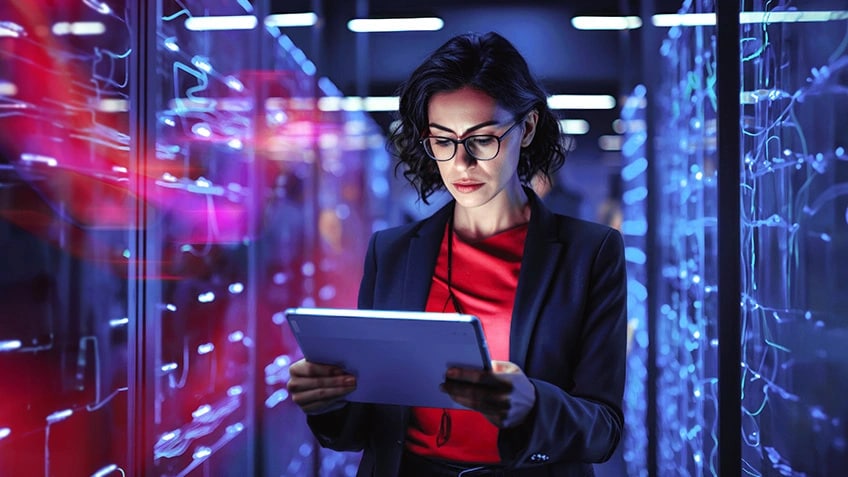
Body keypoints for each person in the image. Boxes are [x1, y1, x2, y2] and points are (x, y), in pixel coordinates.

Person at [286, 31, 627, 477]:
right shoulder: (390, 252)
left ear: (526, 129)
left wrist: (533, 404)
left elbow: (603, 429)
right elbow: (362, 428)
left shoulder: (590, 252)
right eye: (443, 141)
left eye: (482, 140)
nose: (461, 164)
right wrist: (327, 400)